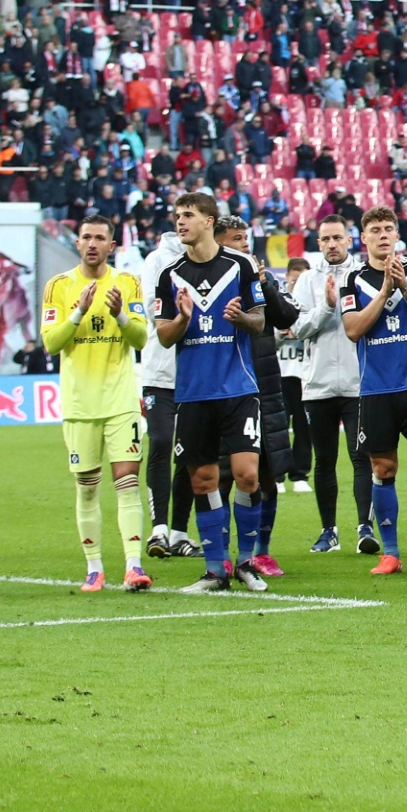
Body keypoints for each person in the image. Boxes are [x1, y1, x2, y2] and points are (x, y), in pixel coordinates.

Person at [153, 193, 269, 593]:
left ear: (208, 221)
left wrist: (242, 317)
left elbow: (260, 320)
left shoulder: (240, 266)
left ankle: (247, 562)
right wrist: (183, 318)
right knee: (202, 481)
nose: (180, 222)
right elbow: (164, 336)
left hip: (238, 387)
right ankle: (216, 570)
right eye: (177, 216)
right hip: (193, 393)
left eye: (188, 215)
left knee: (247, 476)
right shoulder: (170, 275)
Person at [41, 215, 151, 592]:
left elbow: (140, 339)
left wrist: (120, 313)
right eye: (86, 237)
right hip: (79, 406)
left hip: (121, 402)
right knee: (87, 488)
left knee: (128, 483)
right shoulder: (58, 286)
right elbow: (51, 343)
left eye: (99, 238)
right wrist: (78, 313)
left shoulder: (127, 282)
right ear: (78, 243)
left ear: (111, 245)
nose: (91, 243)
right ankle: (94, 568)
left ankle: (134, 567)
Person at [340, 207, 407, 576]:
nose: (383, 235)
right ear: (364, 237)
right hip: (375, 389)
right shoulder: (352, 278)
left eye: (389, 229)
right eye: (375, 230)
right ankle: (391, 552)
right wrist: (385, 290)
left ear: (397, 234)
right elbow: (353, 329)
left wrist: (403, 286)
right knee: (383, 467)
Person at [215, 218, 301, 578]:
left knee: (267, 473)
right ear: (219, 243)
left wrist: (267, 286)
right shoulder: (211, 283)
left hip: (264, 386)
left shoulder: (260, 279)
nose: (245, 246)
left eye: (246, 239)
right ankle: (219, 551)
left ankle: (260, 552)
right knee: (220, 474)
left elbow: (288, 316)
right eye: (237, 240)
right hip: (223, 387)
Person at [289, 214, 373, 554]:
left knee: (360, 456)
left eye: (338, 237)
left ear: (350, 239)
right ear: (318, 243)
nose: (332, 244)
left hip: (357, 383)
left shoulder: (364, 276)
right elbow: (298, 327)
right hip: (318, 384)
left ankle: (365, 527)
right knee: (324, 459)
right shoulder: (307, 281)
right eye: (325, 239)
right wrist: (326, 307)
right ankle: (329, 530)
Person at [138, 225, 196, 559]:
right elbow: (152, 309)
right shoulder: (157, 260)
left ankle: (179, 532)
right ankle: (158, 528)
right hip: (159, 372)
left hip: (193, 375)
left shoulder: (211, 259)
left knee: (189, 453)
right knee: (160, 441)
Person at [278, 257, 313, 496]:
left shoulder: (313, 302)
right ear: (288, 276)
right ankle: (277, 476)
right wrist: (282, 333)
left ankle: (300, 475)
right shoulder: (278, 302)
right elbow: (269, 336)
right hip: (281, 371)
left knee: (304, 427)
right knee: (278, 426)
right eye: (294, 278)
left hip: (306, 373)